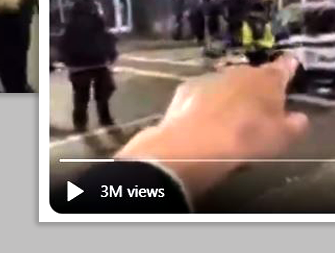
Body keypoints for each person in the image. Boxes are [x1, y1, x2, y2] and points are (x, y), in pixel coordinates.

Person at [56, 54, 308, 213]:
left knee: (85, 99)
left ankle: (85, 119)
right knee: (99, 99)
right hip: (97, 67)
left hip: (79, 68)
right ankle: (98, 118)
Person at [57, 0, 118, 131]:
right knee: (102, 96)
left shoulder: (70, 25)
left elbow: (63, 45)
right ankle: (105, 119)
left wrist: (65, 59)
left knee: (80, 97)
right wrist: (111, 55)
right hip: (98, 62)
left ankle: (80, 123)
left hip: (78, 66)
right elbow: (106, 39)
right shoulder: (97, 22)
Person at [241, 0, 275, 66]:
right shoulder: (264, 23)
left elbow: (271, 40)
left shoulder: (265, 23)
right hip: (257, 53)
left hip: (261, 52)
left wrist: (258, 44)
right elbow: (247, 43)